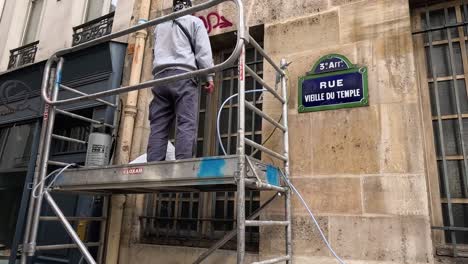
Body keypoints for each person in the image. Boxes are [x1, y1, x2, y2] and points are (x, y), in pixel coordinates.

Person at [147, 0, 214, 162]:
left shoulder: (160, 26)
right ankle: (183, 165)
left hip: (160, 78)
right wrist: (208, 77)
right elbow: (203, 53)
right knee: (186, 122)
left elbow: (156, 52)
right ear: (190, 7)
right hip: (183, 76)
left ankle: (152, 167)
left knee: (158, 125)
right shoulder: (195, 22)